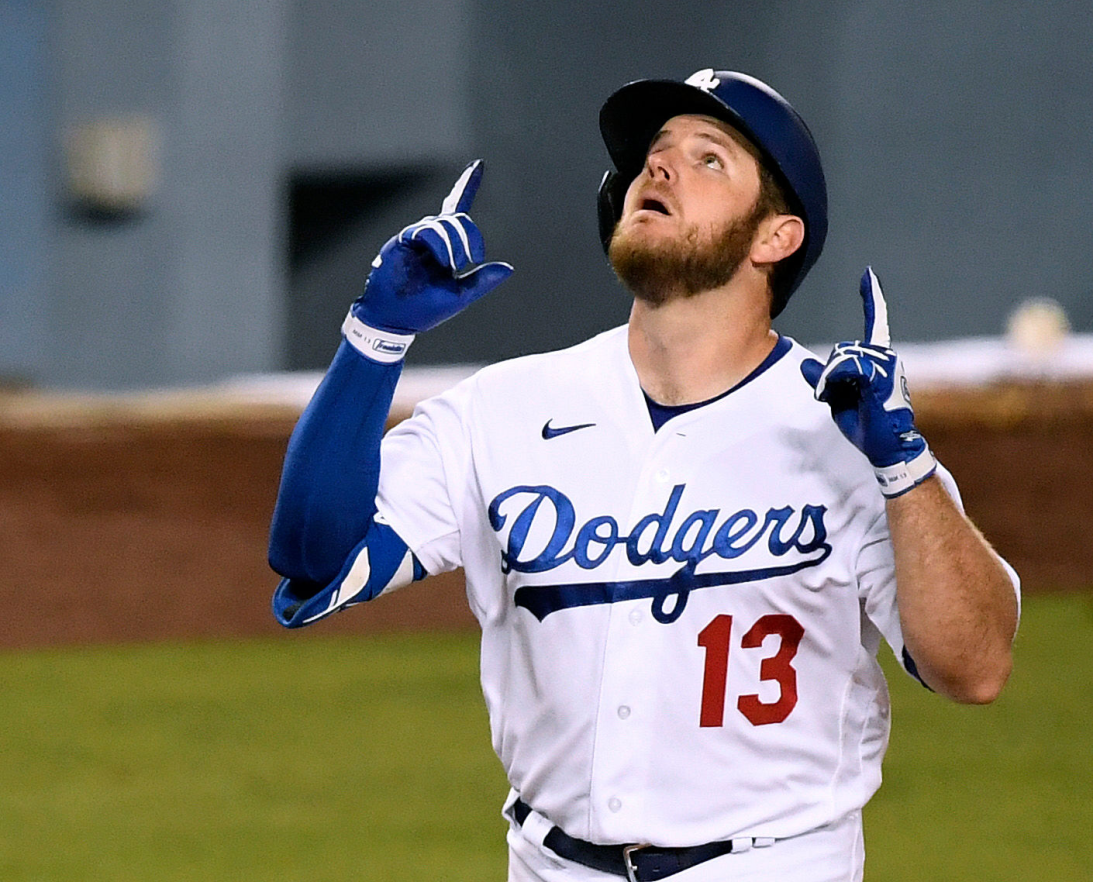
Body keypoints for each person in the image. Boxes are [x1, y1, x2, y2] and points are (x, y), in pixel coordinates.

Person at [268, 68, 1020, 882]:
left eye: (708, 160)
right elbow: (315, 552)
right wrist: (373, 340)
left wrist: (905, 469)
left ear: (777, 236)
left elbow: (975, 665)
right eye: (654, 155)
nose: (658, 169)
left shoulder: (848, 430)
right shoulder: (505, 409)